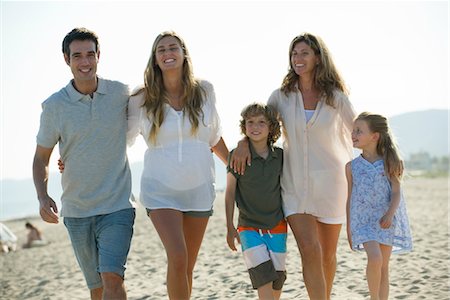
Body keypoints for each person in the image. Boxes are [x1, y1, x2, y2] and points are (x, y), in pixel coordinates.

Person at [230, 33, 356, 299]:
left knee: (328, 255)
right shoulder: (281, 96)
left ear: (318, 58)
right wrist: (242, 142)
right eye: (294, 54)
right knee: (310, 249)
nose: (298, 59)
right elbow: (260, 123)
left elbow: (357, 131)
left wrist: (382, 153)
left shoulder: (335, 97)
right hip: (294, 185)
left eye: (304, 54)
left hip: (331, 185)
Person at [32, 27, 135, 300]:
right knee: (97, 288)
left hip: (117, 206)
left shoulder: (121, 93)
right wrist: (43, 197)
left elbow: (161, 105)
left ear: (99, 55)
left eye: (90, 54)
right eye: (77, 56)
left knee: (112, 277)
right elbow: (41, 158)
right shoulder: (54, 106)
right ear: (66, 59)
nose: (85, 62)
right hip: (77, 211)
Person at [127, 31, 229, 300]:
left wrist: (234, 166)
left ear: (184, 54)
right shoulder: (141, 98)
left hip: (199, 188)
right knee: (178, 256)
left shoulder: (204, 91)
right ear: (155, 59)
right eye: (161, 50)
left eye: (173, 47)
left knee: (186, 266)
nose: (167, 53)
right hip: (160, 190)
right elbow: (120, 141)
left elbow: (214, 136)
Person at [346, 112, 412, 300]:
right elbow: (349, 198)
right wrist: (349, 228)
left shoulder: (391, 162)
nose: (354, 134)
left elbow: (397, 192)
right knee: (374, 258)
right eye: (353, 130)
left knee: (383, 266)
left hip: (385, 220)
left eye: (359, 131)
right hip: (363, 221)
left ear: (374, 136)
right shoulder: (351, 167)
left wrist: (390, 214)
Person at [225, 103, 286, 300]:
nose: (255, 127)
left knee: (277, 279)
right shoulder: (238, 156)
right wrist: (229, 226)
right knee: (262, 277)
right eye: (250, 122)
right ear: (244, 127)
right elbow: (229, 192)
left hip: (277, 226)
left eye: (261, 122)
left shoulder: (280, 156)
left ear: (271, 128)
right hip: (249, 228)